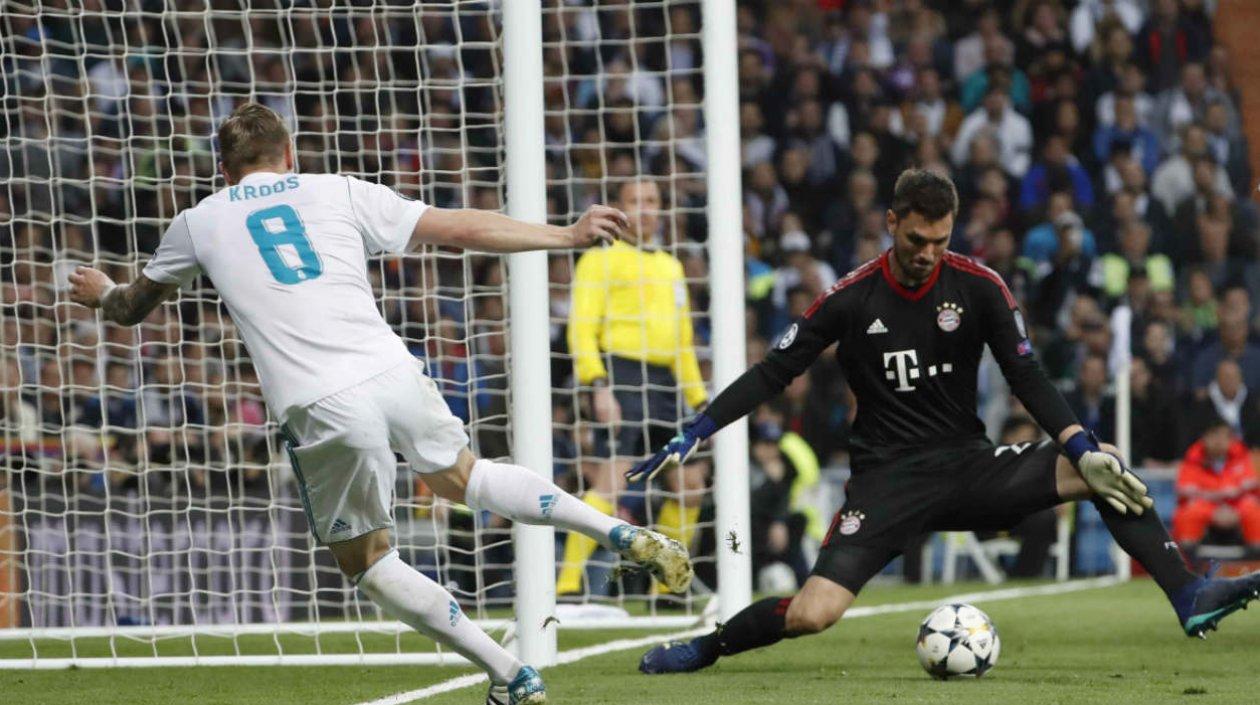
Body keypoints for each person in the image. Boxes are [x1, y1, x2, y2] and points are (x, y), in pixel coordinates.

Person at [66, 103, 693, 705]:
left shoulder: (199, 220)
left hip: (318, 399)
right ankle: (614, 529)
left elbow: (130, 308)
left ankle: (509, 673)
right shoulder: (338, 189)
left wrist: (102, 292)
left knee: (368, 559)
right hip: (391, 369)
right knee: (467, 477)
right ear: (290, 153)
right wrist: (566, 234)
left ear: (223, 172)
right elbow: (460, 226)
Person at [634, 169, 1260, 677]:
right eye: (916, 241)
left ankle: (1186, 593)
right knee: (811, 613)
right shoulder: (850, 299)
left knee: (1105, 463)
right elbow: (774, 372)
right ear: (891, 224)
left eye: (941, 240)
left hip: (969, 466)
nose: (929, 255)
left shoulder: (979, 286)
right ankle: (712, 645)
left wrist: (1078, 442)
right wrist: (700, 427)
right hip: (886, 483)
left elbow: (1027, 374)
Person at [565, 178, 708, 599]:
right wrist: (598, 383)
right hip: (621, 376)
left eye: (652, 201)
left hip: (665, 385)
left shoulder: (671, 266)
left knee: (690, 484)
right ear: (620, 210)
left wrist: (700, 399)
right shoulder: (600, 260)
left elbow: (682, 344)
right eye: (635, 201)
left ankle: (666, 590)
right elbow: (581, 328)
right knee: (611, 481)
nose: (645, 209)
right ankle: (568, 582)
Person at [1172, 417, 1260, 552]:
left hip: (1236, 505)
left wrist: (1230, 499)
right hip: (1205, 506)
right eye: (1214, 435)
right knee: (1188, 512)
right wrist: (1217, 503)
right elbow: (1184, 490)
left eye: (1224, 436)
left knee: (1252, 507)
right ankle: (1187, 560)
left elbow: (1250, 484)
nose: (1219, 441)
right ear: (1204, 438)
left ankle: (1255, 559)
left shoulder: (1241, 455)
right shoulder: (1193, 458)